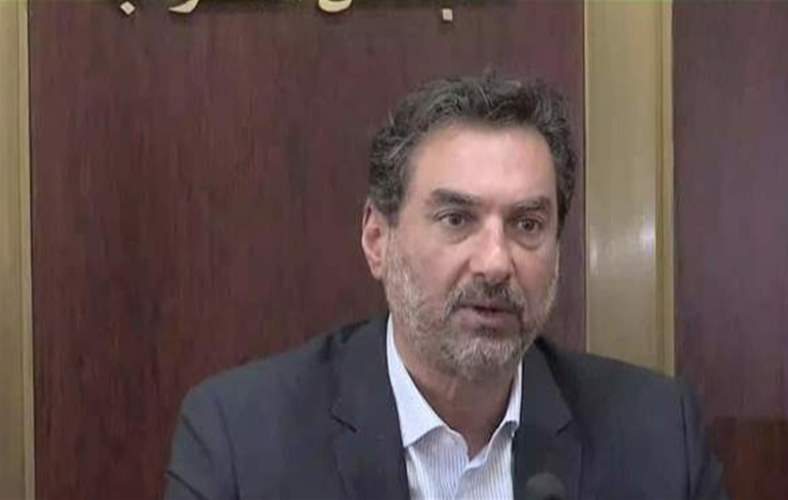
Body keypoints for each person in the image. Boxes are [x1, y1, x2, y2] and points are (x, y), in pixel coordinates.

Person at [164, 74, 729, 500]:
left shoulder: (657, 437)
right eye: (457, 219)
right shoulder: (241, 440)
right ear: (377, 239)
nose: (495, 263)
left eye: (527, 224)